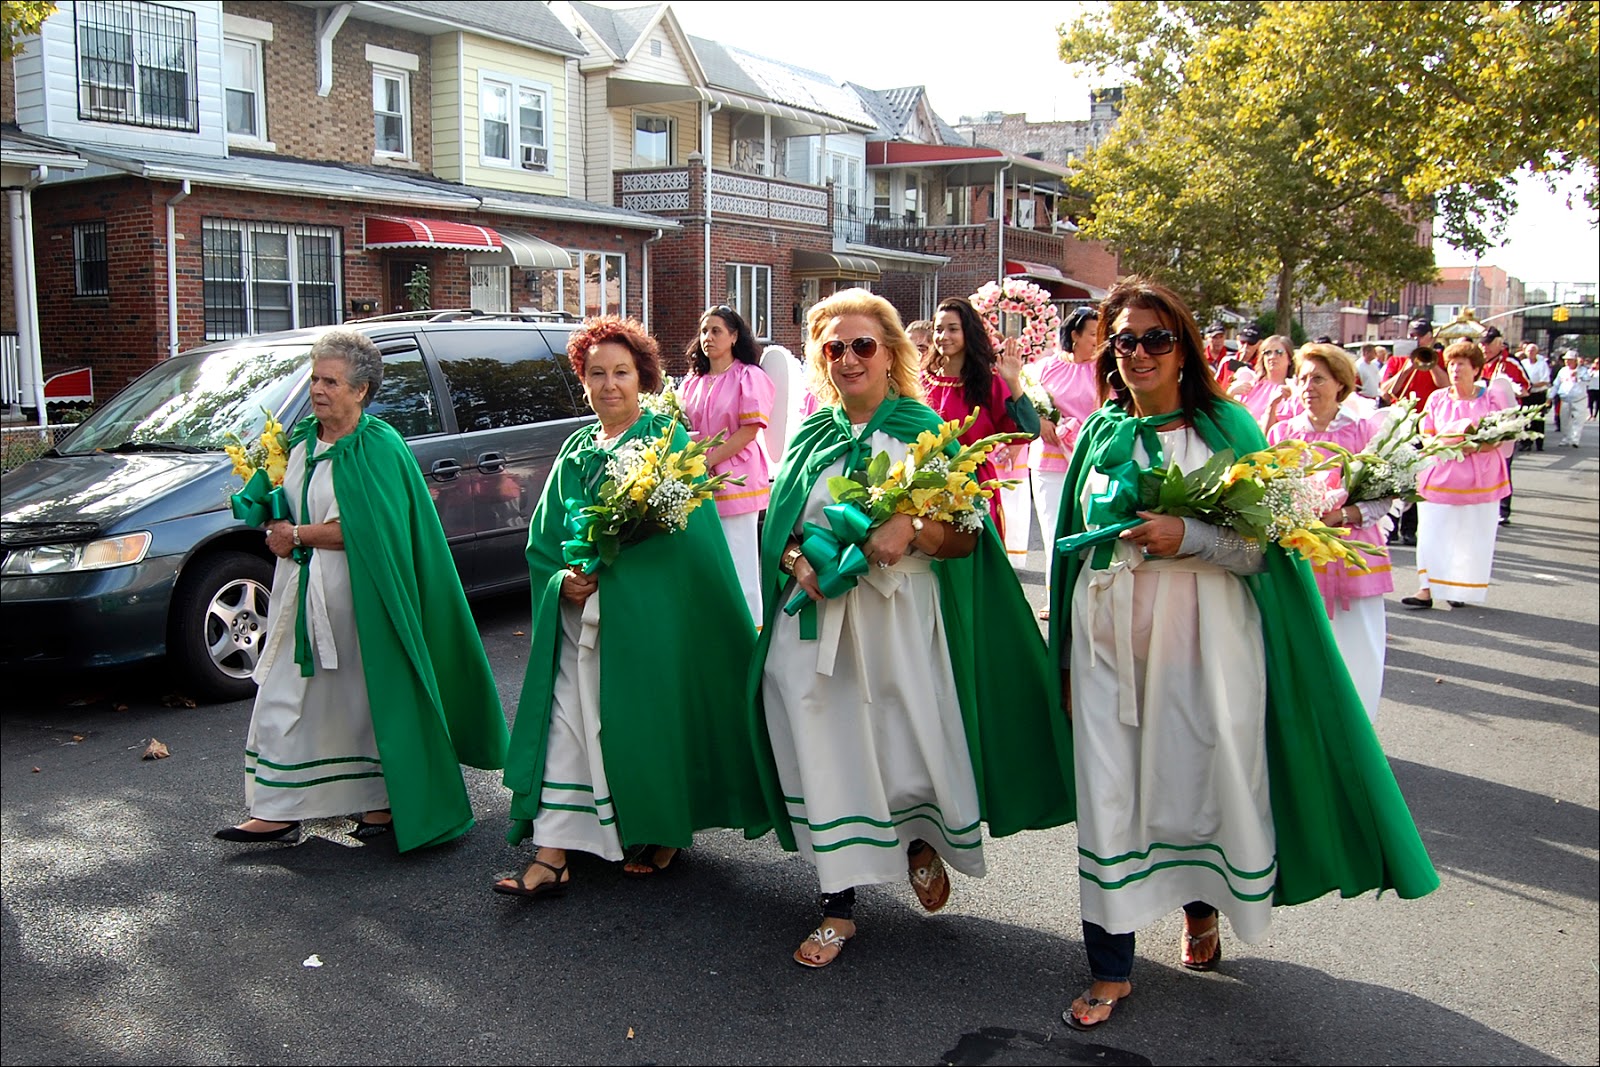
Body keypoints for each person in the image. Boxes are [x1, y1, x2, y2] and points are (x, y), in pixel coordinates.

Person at [1048, 278, 1437, 1031]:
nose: (1137, 353)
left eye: (1155, 338)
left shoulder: (1229, 427)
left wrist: (1187, 536)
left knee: (1195, 783)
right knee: (1109, 792)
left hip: (1205, 642)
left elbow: (1270, 548)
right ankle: (1110, 963)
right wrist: (1064, 657)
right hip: (1107, 646)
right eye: (1124, 339)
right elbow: (1073, 554)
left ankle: (1202, 907)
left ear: (1184, 346)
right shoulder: (1100, 433)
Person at [752, 288, 1074, 968]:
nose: (847, 358)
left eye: (862, 344)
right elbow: (776, 520)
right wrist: (789, 554)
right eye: (833, 347)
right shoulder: (810, 432)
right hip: (815, 623)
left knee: (898, 742)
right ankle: (837, 903)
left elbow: (966, 536)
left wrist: (913, 525)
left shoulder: (921, 429)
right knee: (822, 745)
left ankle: (914, 838)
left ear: (892, 352)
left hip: (898, 621)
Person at [495, 316, 770, 898]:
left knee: (646, 725)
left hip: (645, 624)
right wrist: (560, 581)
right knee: (568, 724)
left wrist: (624, 580)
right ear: (583, 380)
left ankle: (664, 824)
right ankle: (554, 852)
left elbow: (687, 545)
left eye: (621, 372)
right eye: (597, 373)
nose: (609, 384)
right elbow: (544, 536)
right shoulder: (576, 448)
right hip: (578, 622)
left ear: (641, 377)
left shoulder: (667, 441)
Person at [216, 329, 509, 849]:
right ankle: (276, 808)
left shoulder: (378, 446)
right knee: (285, 691)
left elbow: (377, 527)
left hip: (361, 599)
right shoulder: (300, 441)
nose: (318, 389)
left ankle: (382, 802)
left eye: (331, 381)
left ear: (362, 390)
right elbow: (283, 502)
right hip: (300, 591)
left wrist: (299, 534)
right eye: (314, 378)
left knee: (365, 700)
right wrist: (267, 513)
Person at [1266, 345, 1395, 722]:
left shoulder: (1365, 433)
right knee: (1303, 651)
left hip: (1355, 560)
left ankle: (1358, 736)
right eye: (1303, 378)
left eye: (1318, 378)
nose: (1308, 386)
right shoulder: (1281, 434)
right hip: (1300, 558)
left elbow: (1383, 499)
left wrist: (1341, 514)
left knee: (1358, 650)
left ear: (1341, 384)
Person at [680, 305, 778, 628]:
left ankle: (749, 632)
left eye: (716, 331)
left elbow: (749, 431)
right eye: (704, 331)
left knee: (740, 563)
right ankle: (714, 631)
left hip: (736, 480)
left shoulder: (749, 377)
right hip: (698, 483)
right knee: (706, 562)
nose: (707, 338)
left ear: (734, 336)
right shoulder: (692, 382)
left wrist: (708, 459)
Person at [1402, 340, 1517, 610]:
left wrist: (1464, 444)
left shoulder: (1490, 399)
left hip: (1480, 479)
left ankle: (1458, 587)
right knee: (1431, 531)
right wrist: (1444, 444)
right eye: (1451, 364)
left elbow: (1497, 439)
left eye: (1461, 364)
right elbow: (1427, 435)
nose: (1454, 370)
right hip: (1441, 475)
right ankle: (1426, 588)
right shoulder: (1437, 398)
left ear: (1475, 369)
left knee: (1469, 534)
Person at [923, 295, 1041, 538]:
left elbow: (1029, 429)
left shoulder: (989, 384)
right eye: (938, 329)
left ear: (969, 332)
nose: (943, 336)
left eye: (952, 329)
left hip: (973, 484)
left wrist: (1013, 381)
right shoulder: (921, 381)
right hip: (925, 485)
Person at [1032, 304, 1102, 617]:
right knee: (1053, 530)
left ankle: (1087, 593)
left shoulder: (1103, 371)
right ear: (1074, 335)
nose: (1097, 341)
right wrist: (1040, 420)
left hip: (1089, 461)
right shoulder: (1047, 367)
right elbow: (1026, 400)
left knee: (1088, 528)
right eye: (1092, 335)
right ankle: (1055, 594)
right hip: (1049, 461)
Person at [1481, 326, 1527, 524]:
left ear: (1499, 343)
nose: (1485, 348)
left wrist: (1512, 390)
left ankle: (1503, 509)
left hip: (1505, 421)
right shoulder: (1478, 362)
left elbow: (1526, 387)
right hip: (1482, 419)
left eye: (1489, 344)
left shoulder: (1511, 363)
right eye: (1482, 344)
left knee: (1504, 465)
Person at [1233, 334, 1299, 431]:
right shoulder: (1251, 385)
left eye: (1279, 352)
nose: (1272, 357)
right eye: (1267, 353)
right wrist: (1230, 394)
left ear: (1289, 359)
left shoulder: (1293, 390)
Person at [1552, 351, 1587, 447]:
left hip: (1579, 399)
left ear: (1575, 361)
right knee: (1564, 420)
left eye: (1570, 360)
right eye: (1566, 360)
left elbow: (1587, 379)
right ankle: (1566, 438)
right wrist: (1550, 396)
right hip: (1566, 399)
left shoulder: (1582, 370)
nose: (1567, 362)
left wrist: (1578, 375)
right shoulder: (1562, 371)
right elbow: (1556, 384)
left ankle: (1575, 439)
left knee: (1578, 420)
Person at [1521, 342, 1551, 451]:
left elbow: (1545, 381)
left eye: (1533, 351)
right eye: (1529, 351)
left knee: (1538, 419)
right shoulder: (1523, 363)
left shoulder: (1542, 364)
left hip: (1538, 394)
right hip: (1526, 394)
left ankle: (1539, 443)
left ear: (1537, 352)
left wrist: (1532, 385)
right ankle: (1525, 442)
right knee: (1525, 419)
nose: (1531, 353)